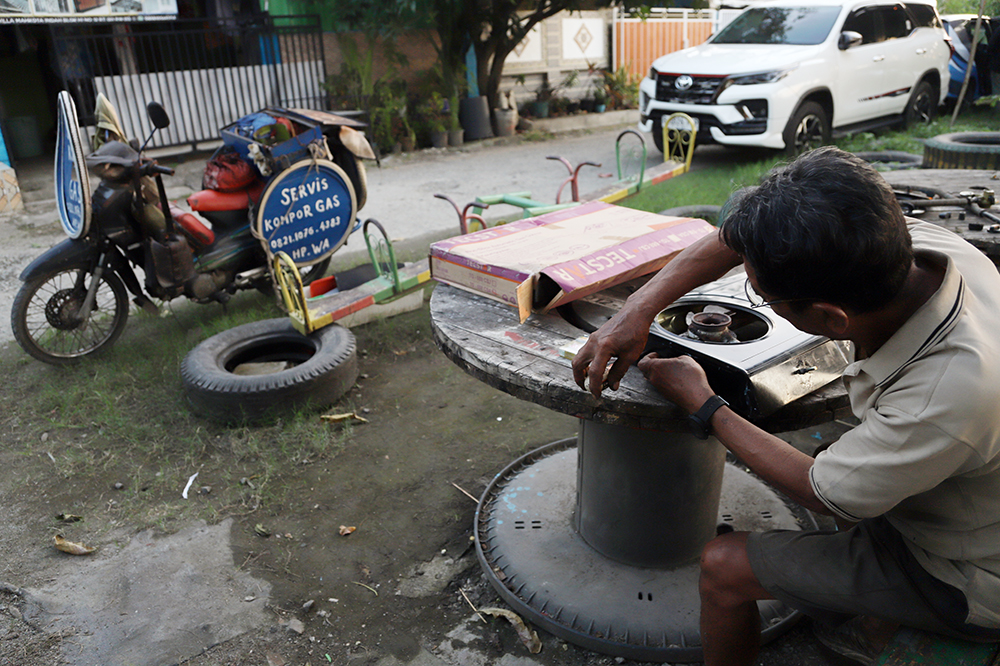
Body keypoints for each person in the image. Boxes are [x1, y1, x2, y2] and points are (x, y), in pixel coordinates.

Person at [571, 146, 1000, 666]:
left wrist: (704, 403)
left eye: (759, 295)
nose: (753, 294)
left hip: (965, 571)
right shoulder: (915, 249)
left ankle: (910, 610)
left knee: (724, 565)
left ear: (831, 318)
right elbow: (736, 239)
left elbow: (821, 492)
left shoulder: (945, 394)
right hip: (964, 497)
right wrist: (637, 309)